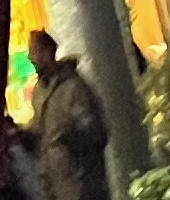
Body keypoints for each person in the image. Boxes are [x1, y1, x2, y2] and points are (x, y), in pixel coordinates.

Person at [26, 33, 109, 200]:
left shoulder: (74, 87)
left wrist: (69, 133)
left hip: (81, 182)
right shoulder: (40, 92)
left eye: (35, 51)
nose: (31, 58)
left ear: (49, 52)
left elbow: (96, 133)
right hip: (56, 185)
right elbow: (41, 133)